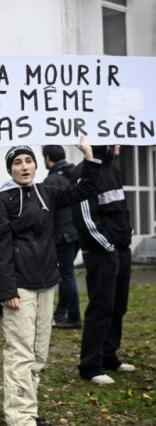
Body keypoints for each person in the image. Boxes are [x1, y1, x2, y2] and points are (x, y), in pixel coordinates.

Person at [0, 141, 98, 426]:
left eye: (28, 161)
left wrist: (88, 157)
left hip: (47, 283)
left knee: (38, 352)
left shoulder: (47, 191)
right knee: (20, 352)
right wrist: (8, 290)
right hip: (19, 287)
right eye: (17, 162)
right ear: (10, 168)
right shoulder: (1, 199)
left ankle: (29, 410)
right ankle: (19, 417)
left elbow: (84, 190)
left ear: (37, 165)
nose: (24, 167)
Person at [73, 145, 135, 385]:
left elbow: (121, 208)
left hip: (121, 249)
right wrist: (107, 245)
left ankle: (109, 356)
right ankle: (90, 365)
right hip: (101, 253)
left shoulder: (113, 168)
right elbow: (85, 217)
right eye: (114, 141)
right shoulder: (84, 172)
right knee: (101, 307)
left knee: (118, 305)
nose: (119, 145)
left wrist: (126, 237)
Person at [41, 145, 81, 329]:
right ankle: (61, 311)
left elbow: (45, 210)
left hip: (62, 234)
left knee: (66, 275)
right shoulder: (73, 174)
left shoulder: (53, 180)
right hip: (76, 232)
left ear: (48, 158)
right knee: (67, 272)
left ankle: (73, 317)